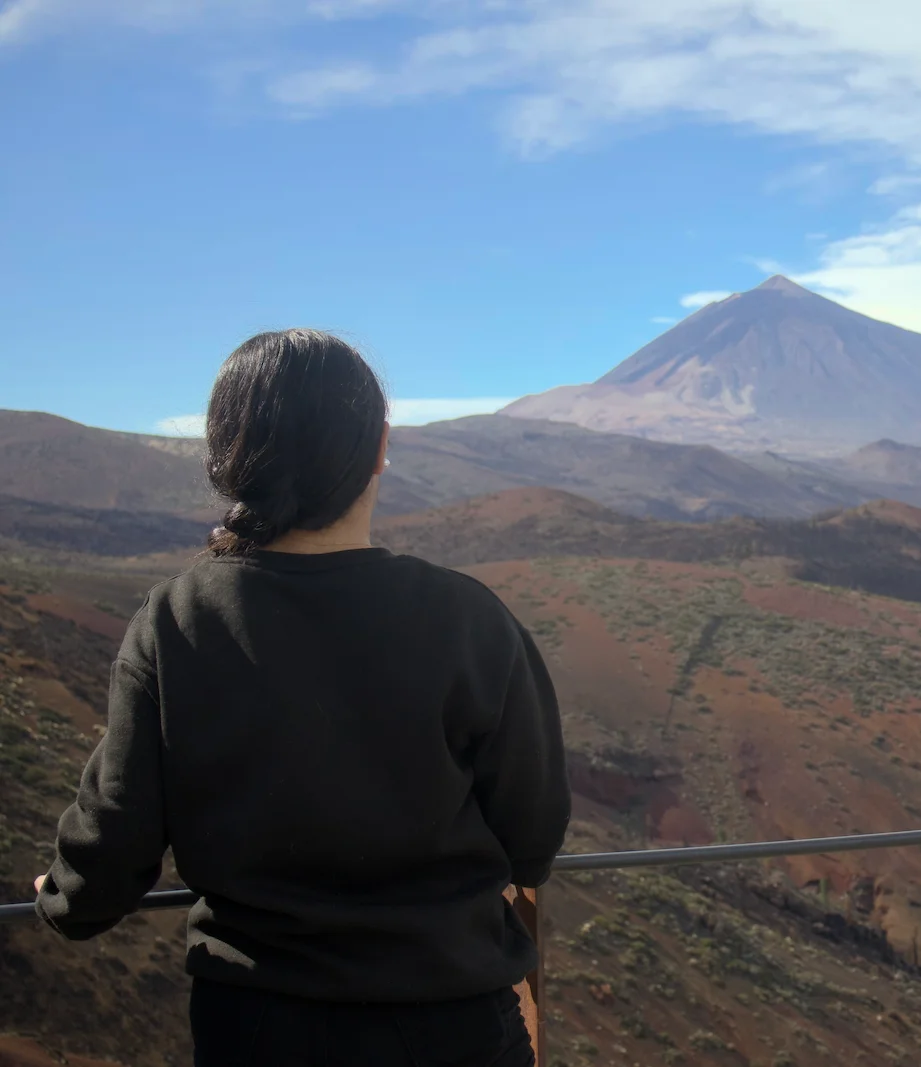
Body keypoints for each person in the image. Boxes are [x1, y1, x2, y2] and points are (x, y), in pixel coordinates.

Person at [33, 329, 570, 1066]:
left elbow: (115, 843)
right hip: (452, 1022)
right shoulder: (468, 617)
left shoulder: (177, 619)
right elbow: (534, 833)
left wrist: (61, 897)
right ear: (379, 446)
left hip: (257, 1026)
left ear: (225, 454)